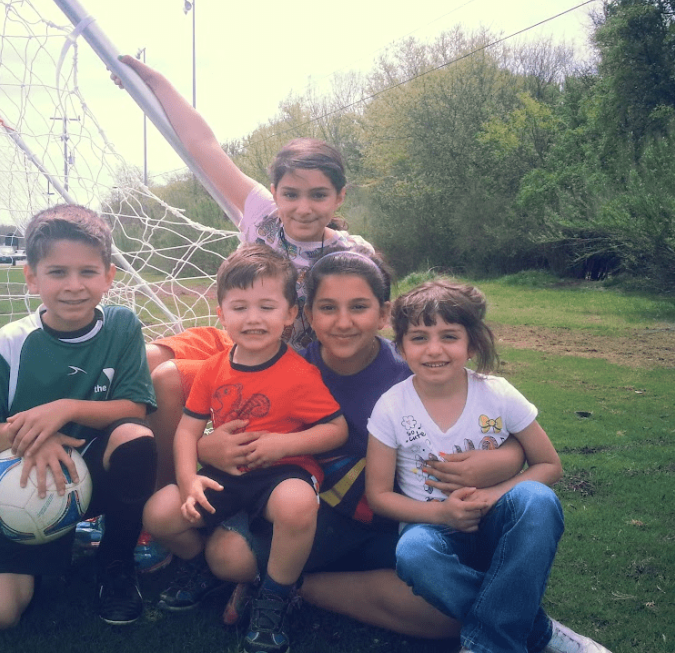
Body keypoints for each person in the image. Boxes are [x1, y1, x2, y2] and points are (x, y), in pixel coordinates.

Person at [198, 252, 526, 645]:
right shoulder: (288, 370)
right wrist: (207, 448)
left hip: (400, 519)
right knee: (226, 556)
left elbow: (506, 433)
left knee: (446, 619)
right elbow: (242, 438)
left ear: (384, 313)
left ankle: (291, 585)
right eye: (328, 308)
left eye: (359, 307)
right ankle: (281, 583)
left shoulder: (414, 370)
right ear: (308, 314)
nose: (343, 322)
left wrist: (505, 458)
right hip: (318, 517)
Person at [112, 54, 373, 491]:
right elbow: (204, 146)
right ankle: (111, 472)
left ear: (339, 197)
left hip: (283, 359)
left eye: (318, 195)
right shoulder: (263, 214)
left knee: (167, 380)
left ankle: (169, 493)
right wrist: (155, 81)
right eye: (291, 193)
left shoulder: (350, 254)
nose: (303, 207)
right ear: (274, 192)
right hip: (235, 335)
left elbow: (369, 319)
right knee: (145, 360)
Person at [365, 278, 612, 653]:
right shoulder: (391, 406)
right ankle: (539, 633)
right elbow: (379, 495)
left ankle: (488, 645)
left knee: (537, 499)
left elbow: (549, 465)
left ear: (472, 342)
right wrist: (444, 515)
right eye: (419, 338)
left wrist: (492, 495)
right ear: (399, 346)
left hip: (499, 524)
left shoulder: (497, 393)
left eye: (449, 336)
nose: (435, 350)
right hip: (433, 531)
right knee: (412, 553)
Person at [0, 204, 157, 631]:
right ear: (32, 277)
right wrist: (29, 436)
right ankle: (48, 544)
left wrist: (65, 409)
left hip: (97, 473)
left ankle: (116, 560)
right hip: (26, 488)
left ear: (108, 276)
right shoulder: (12, 342)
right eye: (57, 272)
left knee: (135, 437)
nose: (74, 286)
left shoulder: (122, 326)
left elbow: (135, 407)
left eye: (87, 272)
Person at [143, 244, 348, 653]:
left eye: (267, 307)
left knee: (296, 503)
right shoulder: (214, 368)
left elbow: (336, 430)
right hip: (226, 472)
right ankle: (199, 566)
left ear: (291, 315)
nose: (253, 318)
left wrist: (284, 444)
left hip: (282, 471)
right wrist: (188, 480)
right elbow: (187, 431)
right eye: (239, 307)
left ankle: (275, 595)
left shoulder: (300, 373)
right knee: (160, 513)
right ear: (221, 315)